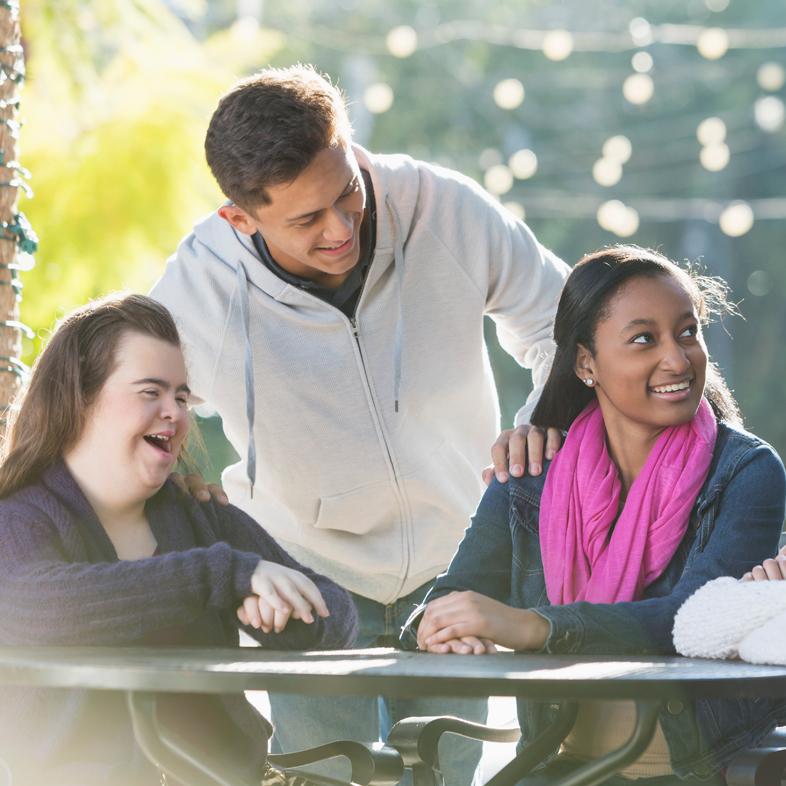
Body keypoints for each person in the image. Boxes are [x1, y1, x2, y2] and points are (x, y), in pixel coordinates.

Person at [150, 64, 569, 783]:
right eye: (307, 220)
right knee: (323, 777)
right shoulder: (198, 285)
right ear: (241, 218)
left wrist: (540, 421)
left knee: (443, 773)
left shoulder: (443, 208)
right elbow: (136, 398)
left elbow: (568, 322)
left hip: (458, 562)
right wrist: (184, 480)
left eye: (348, 193)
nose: (341, 228)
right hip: (307, 580)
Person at [401, 246, 786, 785]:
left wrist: (532, 627)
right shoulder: (532, 471)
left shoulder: (746, 471)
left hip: (690, 767)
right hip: (558, 760)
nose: (677, 359)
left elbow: (693, 621)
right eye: (643, 339)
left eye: (687, 332)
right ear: (586, 363)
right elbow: (449, 596)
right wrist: (442, 627)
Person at [0, 294, 357, 786]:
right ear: (79, 397)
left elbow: (338, 612)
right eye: (151, 392)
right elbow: (26, 607)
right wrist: (220, 576)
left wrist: (284, 615)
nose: (176, 413)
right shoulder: (19, 516)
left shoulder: (201, 517)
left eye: (182, 397)